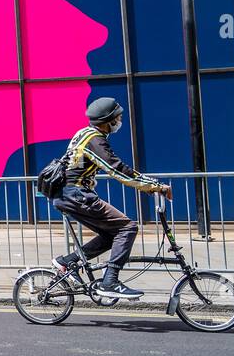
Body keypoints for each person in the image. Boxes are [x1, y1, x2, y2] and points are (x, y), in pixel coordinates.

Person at [50, 98, 169, 300]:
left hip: (70, 195)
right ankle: (110, 281)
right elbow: (118, 170)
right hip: (77, 195)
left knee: (110, 234)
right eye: (118, 117)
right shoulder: (94, 140)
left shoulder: (84, 133)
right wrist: (155, 186)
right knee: (127, 227)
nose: (120, 121)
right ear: (108, 120)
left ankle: (68, 261)